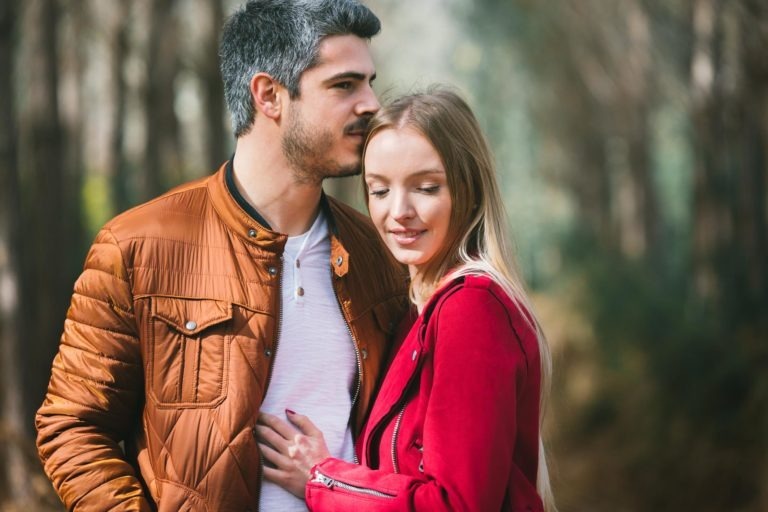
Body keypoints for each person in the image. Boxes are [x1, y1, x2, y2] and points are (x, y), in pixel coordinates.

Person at [34, 1, 409, 510]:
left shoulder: (381, 257)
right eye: (344, 85)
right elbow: (73, 426)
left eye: (369, 82)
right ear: (269, 95)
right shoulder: (138, 246)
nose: (370, 104)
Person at [256, 88, 557, 511]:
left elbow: (456, 504)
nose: (398, 211)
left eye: (426, 188)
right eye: (379, 191)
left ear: (467, 190)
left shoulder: (471, 308)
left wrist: (322, 478)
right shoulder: (414, 311)